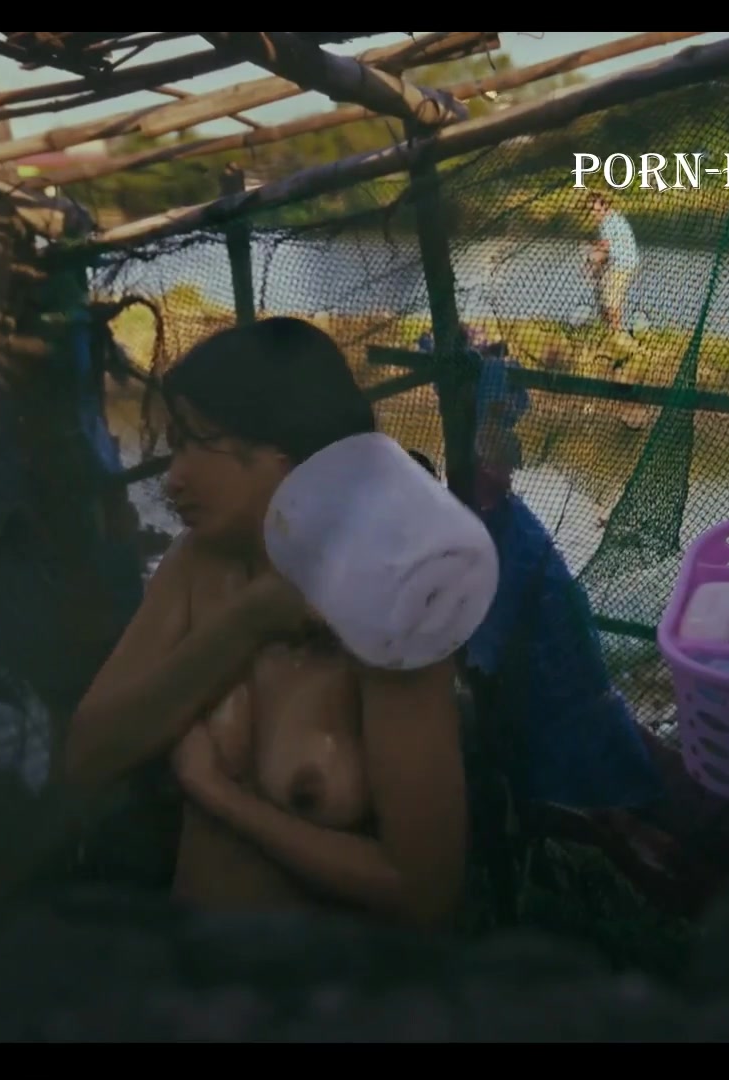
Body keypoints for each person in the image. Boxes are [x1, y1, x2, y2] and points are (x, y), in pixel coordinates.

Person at [60, 317, 470, 929]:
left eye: (196, 445)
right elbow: (85, 757)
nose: (173, 477)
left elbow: (425, 893)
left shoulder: (388, 610)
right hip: (189, 971)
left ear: (282, 453)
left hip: (327, 984)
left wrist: (220, 796)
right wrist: (247, 622)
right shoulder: (196, 566)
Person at [585, 190, 640, 339]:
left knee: (611, 302)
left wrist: (591, 259)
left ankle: (616, 334)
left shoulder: (608, 222)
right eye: (590, 210)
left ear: (604, 206)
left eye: (595, 209)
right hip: (619, 263)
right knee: (604, 299)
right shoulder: (611, 219)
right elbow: (607, 248)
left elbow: (604, 249)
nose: (593, 213)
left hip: (622, 265)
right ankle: (609, 332)